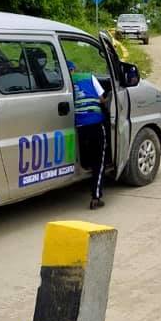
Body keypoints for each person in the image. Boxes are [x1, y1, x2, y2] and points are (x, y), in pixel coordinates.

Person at [68, 61, 110, 210]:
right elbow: (102, 98)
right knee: (99, 160)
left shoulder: (65, 82)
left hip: (79, 126)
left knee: (86, 156)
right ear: (75, 69)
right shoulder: (89, 77)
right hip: (95, 123)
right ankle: (96, 197)